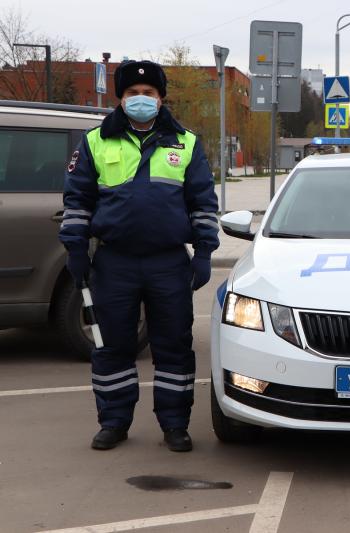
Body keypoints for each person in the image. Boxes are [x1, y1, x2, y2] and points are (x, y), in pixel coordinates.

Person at [59, 60, 219, 452]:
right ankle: (113, 421)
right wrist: (76, 249)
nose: (141, 100)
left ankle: (175, 424)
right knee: (112, 345)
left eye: (148, 94)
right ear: (121, 98)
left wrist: (204, 252)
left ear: (161, 98)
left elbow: (202, 203)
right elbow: (77, 200)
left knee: (174, 346)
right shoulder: (96, 141)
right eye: (132, 94)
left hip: (168, 262)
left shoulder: (187, 143)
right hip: (115, 262)